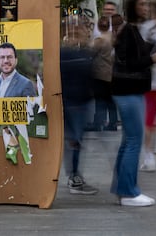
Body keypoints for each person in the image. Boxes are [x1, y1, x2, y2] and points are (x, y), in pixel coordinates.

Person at [111, 0, 156, 207]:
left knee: (128, 142)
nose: (145, 8)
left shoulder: (132, 31)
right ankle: (129, 192)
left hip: (130, 91)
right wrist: (152, 57)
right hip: (128, 91)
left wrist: (154, 49)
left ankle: (123, 188)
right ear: (133, 6)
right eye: (142, 4)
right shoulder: (128, 31)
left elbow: (139, 54)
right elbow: (129, 63)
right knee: (134, 141)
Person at [60, 18, 98, 195]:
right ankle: (74, 178)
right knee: (74, 141)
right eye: (74, 32)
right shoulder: (65, 53)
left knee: (76, 141)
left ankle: (75, 176)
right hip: (71, 104)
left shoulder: (85, 52)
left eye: (80, 31)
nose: (78, 35)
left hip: (82, 103)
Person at [138, 1, 156, 171]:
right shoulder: (150, 29)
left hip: (152, 80)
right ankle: (149, 156)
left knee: (148, 121)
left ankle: (149, 156)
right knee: (150, 120)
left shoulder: (146, 28)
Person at [87, 1, 120, 131]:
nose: (108, 11)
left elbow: (92, 50)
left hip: (103, 70)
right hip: (109, 70)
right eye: (106, 9)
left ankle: (99, 122)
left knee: (101, 98)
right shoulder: (110, 34)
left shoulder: (104, 36)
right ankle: (111, 122)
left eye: (111, 9)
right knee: (109, 99)